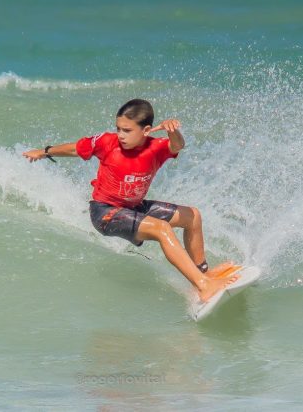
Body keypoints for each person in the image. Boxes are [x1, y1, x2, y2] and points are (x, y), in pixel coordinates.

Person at [22, 99, 240, 303]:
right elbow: (74, 148)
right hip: (106, 213)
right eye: (118, 128)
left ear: (146, 130)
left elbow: (177, 146)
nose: (120, 135)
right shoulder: (106, 142)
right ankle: (203, 286)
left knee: (192, 216)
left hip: (134, 207)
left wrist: (173, 130)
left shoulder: (156, 148)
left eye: (127, 130)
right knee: (162, 229)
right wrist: (44, 152)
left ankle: (203, 273)